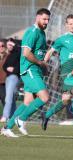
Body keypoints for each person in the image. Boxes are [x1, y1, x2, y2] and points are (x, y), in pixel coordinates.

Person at [1, 8, 51, 137]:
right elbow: (26, 53)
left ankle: (7, 127)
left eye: (48, 20)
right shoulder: (32, 32)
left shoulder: (42, 33)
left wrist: (43, 67)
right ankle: (21, 119)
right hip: (29, 69)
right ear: (37, 17)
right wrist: (40, 63)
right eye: (44, 19)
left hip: (35, 70)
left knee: (27, 102)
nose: (46, 22)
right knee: (45, 97)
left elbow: (39, 53)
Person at [42, 14, 73, 131]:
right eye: (71, 24)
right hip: (66, 74)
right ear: (66, 25)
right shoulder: (61, 39)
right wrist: (43, 64)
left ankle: (46, 115)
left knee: (66, 100)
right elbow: (50, 51)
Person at [1, 38, 20, 122]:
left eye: (10, 44)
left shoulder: (18, 53)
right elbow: (4, 66)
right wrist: (8, 68)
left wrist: (14, 69)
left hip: (14, 77)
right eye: (7, 45)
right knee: (11, 98)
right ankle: (13, 117)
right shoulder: (10, 54)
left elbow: (20, 66)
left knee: (8, 98)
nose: (8, 46)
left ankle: (5, 116)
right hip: (8, 78)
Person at [0, 39, 7, 118]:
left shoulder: (8, 57)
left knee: (5, 101)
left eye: (2, 46)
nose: (1, 47)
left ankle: (5, 117)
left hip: (4, 83)